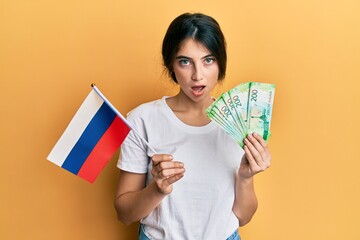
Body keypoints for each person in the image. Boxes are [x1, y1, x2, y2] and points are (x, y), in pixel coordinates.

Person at [114, 12, 271, 240]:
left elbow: (243, 217)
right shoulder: (142, 120)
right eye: (185, 62)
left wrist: (246, 177)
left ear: (220, 64)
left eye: (208, 60)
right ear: (171, 66)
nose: (197, 76)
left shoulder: (238, 120)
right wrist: (156, 189)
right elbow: (124, 214)